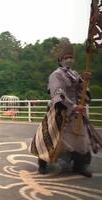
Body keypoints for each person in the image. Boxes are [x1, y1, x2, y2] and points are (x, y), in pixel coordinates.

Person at [29, 38, 102, 177]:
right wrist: (73, 106)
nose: (69, 59)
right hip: (60, 110)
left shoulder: (75, 74)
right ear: (60, 59)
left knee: (81, 140)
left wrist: (86, 82)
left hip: (77, 113)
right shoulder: (55, 75)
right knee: (50, 137)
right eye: (66, 57)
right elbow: (57, 94)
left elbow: (83, 92)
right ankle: (42, 164)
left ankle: (79, 166)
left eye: (71, 57)